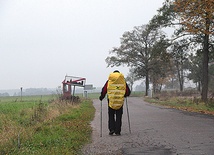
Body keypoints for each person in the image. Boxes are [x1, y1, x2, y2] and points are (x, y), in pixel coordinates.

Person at [99, 70, 131, 136]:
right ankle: (118, 131)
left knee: (111, 115)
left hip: (111, 101)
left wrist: (101, 97)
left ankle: (112, 129)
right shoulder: (123, 81)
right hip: (120, 101)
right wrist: (124, 95)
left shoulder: (109, 81)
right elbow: (128, 91)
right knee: (119, 116)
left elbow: (104, 90)